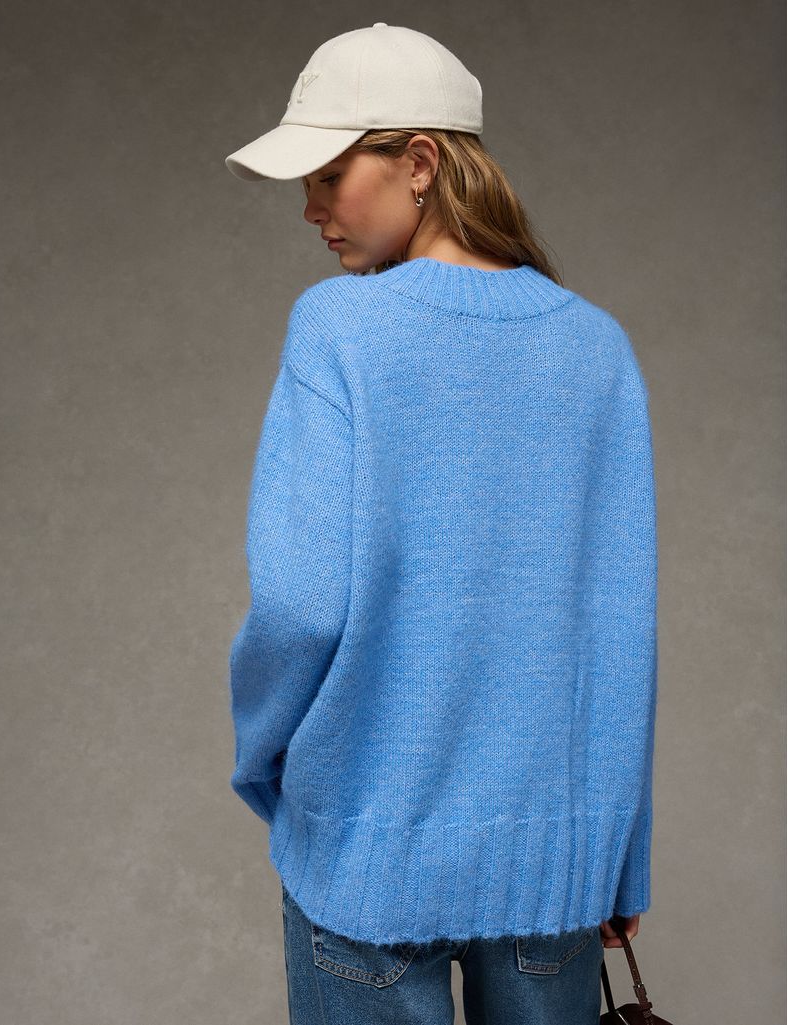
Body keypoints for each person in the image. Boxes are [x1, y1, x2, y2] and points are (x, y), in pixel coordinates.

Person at [224, 23, 657, 1025]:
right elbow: (619, 629)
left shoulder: (338, 328)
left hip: (362, 848)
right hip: (552, 864)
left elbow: (296, 604)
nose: (310, 208)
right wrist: (619, 852)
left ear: (419, 162)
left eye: (328, 175)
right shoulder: (597, 348)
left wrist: (262, 761)